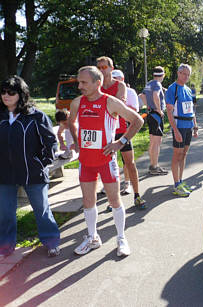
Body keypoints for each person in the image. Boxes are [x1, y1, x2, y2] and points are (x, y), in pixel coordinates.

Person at [68, 66, 143, 257]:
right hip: (85, 162)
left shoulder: (110, 102)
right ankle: (93, 238)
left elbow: (137, 121)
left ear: (97, 83)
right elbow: (71, 122)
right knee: (88, 202)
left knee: (115, 201)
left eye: (84, 82)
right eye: (79, 82)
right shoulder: (77, 102)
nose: (80, 86)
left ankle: (121, 238)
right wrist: (76, 141)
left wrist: (121, 142)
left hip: (106, 161)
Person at [0, 75, 61, 260]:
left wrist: (40, 163)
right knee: (5, 213)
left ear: (21, 93)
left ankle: (51, 242)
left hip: (33, 174)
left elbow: (50, 143)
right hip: (4, 175)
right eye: (3, 92)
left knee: (41, 209)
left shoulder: (35, 116)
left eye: (11, 92)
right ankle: (6, 246)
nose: (6, 96)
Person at [97, 57, 146, 209]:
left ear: (111, 68)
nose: (101, 70)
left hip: (121, 131)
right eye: (98, 67)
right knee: (108, 167)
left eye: (104, 67)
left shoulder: (120, 85)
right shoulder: (96, 86)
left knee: (129, 164)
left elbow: (118, 105)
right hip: (104, 133)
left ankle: (137, 195)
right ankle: (113, 200)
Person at [165, 64, 198, 197]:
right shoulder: (172, 89)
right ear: (178, 73)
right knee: (177, 154)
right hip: (178, 125)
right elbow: (169, 112)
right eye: (183, 73)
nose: (185, 76)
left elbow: (192, 110)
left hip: (188, 125)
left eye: (188, 74)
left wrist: (195, 126)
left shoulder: (189, 90)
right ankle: (176, 184)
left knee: (184, 154)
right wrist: (176, 131)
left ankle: (181, 180)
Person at [141, 66, 168, 175]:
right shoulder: (157, 84)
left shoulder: (149, 84)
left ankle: (152, 165)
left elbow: (141, 95)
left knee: (153, 142)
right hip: (156, 115)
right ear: (163, 75)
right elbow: (156, 95)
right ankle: (155, 167)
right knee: (157, 142)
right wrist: (158, 109)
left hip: (151, 114)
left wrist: (148, 106)